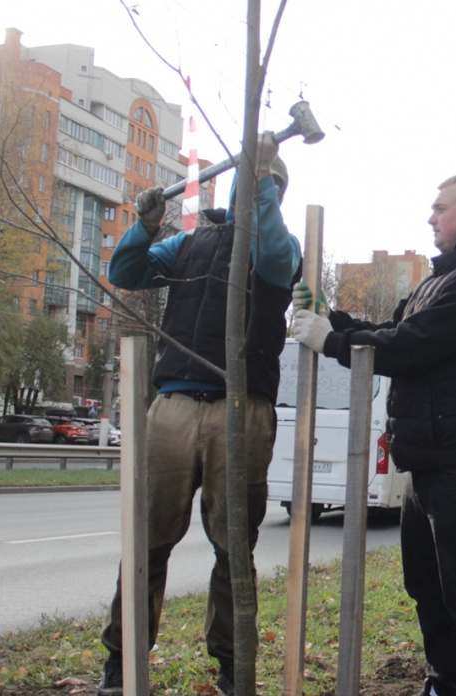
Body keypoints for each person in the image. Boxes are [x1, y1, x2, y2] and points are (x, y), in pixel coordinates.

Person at [291, 173, 456, 696]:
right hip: (427, 462)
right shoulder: (436, 283)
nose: (430, 216)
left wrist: (330, 341)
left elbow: (413, 346)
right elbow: (391, 336)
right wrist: (332, 318)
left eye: (441, 207)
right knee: (428, 588)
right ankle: (443, 685)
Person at [95, 133, 300, 696]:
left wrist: (258, 179)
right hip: (175, 407)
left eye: (270, 187)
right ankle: (123, 660)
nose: (261, 194)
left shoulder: (281, 248)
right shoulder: (187, 245)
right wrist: (144, 225)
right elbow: (126, 272)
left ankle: (233, 666)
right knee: (147, 542)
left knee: (234, 548)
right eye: (258, 182)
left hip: (243, 409)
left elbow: (271, 256)